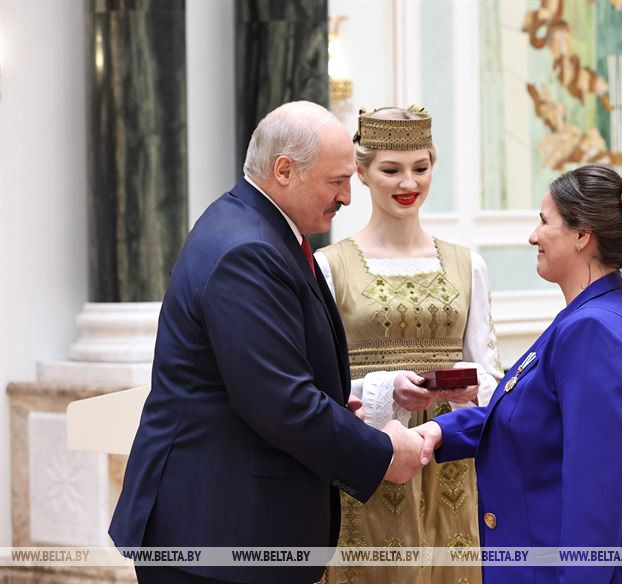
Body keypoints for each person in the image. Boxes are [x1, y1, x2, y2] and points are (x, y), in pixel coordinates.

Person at [109, 101, 425, 584]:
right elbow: (280, 402)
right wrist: (381, 453)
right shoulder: (250, 249)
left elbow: (265, 375)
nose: (346, 196)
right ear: (284, 170)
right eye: (337, 180)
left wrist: (340, 404)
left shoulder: (254, 226)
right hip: (218, 530)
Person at [416, 165, 622, 584]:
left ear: (583, 235)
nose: (533, 236)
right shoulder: (596, 312)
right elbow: (534, 414)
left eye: (545, 222)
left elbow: (595, 494)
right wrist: (440, 431)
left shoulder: (592, 330)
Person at [315, 105, 502, 584]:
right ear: (361, 172)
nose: (408, 183)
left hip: (449, 464)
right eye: (391, 170)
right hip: (368, 459)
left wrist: (470, 388)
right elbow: (317, 386)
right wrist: (385, 389)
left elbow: (492, 373)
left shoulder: (468, 265)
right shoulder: (329, 266)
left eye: (421, 168)